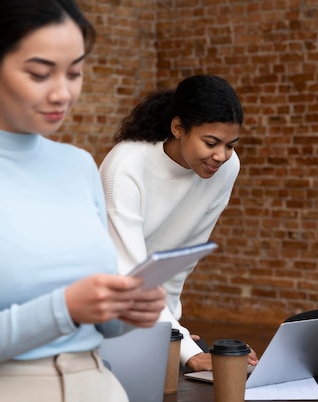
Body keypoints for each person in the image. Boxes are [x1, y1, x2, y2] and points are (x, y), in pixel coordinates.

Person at [0, 1, 166, 402]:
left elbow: (103, 325)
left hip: (99, 397)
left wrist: (128, 311)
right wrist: (63, 308)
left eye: (74, 72)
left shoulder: (78, 166)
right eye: (40, 73)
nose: (63, 92)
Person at [100, 74, 258, 371]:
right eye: (211, 142)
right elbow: (129, 276)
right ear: (178, 128)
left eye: (231, 145)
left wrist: (173, 334)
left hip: (150, 318)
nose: (221, 156)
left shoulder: (225, 169)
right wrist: (182, 345)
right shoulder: (125, 167)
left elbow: (180, 261)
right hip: (102, 317)